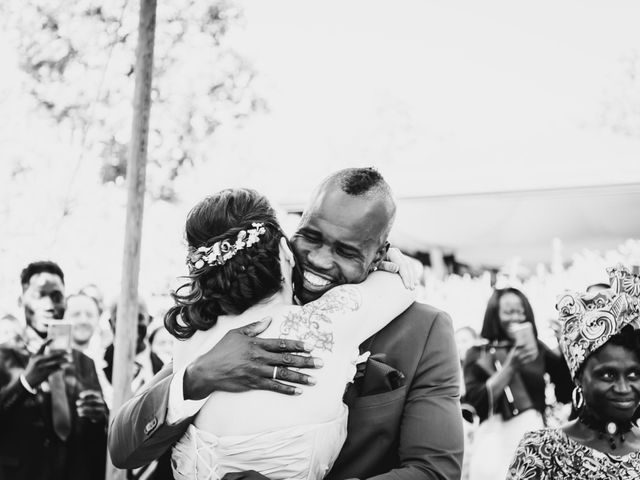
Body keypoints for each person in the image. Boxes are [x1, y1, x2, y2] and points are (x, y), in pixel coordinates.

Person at [109, 167, 464, 480]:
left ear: (380, 254)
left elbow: (434, 471)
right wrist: (198, 377)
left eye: (347, 251)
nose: (320, 260)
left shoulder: (425, 330)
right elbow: (123, 447)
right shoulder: (234, 310)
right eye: (311, 236)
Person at [164, 188, 415, 478]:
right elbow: (404, 284)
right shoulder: (331, 320)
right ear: (284, 249)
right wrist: (384, 256)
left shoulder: (191, 337)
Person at [507, 264, 640, 479]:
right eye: (608, 375)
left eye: (634, 374)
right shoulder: (541, 450)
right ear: (578, 377)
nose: (624, 388)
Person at [0, 261, 108, 480]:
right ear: (22, 301)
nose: (49, 304)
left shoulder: (84, 362)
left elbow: (96, 436)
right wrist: (25, 383)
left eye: (57, 296)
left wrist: (100, 415)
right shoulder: (4, 357)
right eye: (40, 295)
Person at [463, 287, 572, 480]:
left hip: (532, 440)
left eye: (520, 311)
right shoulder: (477, 353)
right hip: (493, 444)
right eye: (508, 312)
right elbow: (474, 403)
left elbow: (565, 391)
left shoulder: (537, 348)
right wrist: (510, 367)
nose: (516, 317)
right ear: (494, 315)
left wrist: (566, 346)